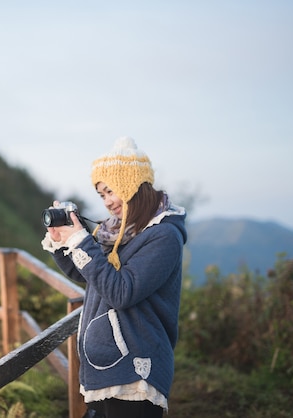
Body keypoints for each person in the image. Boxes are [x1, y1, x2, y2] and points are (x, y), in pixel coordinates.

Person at [41, 137, 187, 418]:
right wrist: (63, 243)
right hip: (107, 367)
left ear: (131, 186)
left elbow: (121, 292)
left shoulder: (163, 236)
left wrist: (82, 242)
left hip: (135, 370)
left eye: (111, 191)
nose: (108, 202)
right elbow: (88, 275)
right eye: (101, 195)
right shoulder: (117, 231)